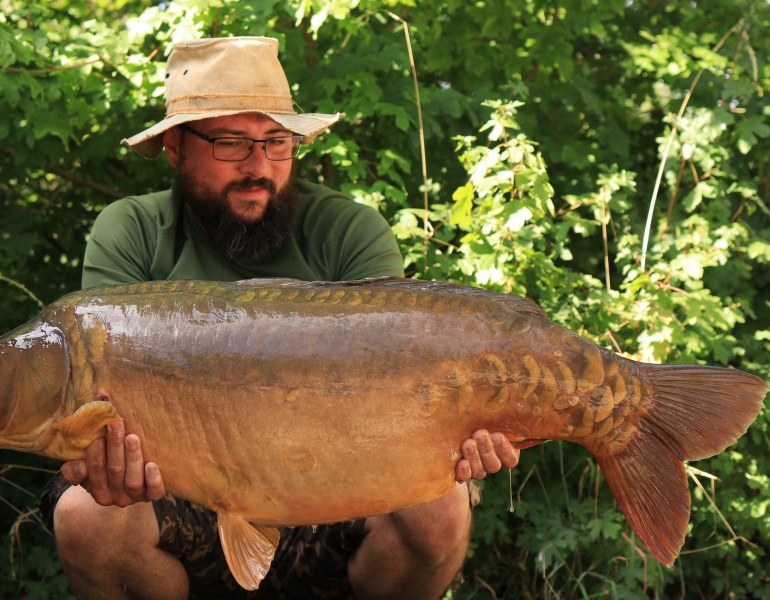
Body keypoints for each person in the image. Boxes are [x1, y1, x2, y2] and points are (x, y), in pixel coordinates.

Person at [40, 36, 520, 599]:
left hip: (337, 487)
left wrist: (467, 434)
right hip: (180, 492)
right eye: (230, 143)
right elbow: (103, 401)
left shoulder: (349, 231)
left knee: (441, 508)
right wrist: (110, 461)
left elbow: (409, 379)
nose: (259, 166)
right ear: (175, 147)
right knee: (86, 515)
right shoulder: (133, 233)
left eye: (277, 141)